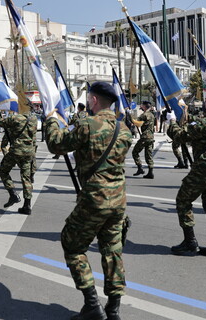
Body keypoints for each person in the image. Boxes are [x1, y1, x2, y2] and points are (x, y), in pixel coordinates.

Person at [45, 81, 133, 319]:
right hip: (118, 199)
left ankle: (92, 306)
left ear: (93, 100)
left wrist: (52, 120)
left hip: (95, 198)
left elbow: (56, 144)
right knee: (112, 250)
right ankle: (113, 310)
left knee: (72, 246)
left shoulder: (87, 124)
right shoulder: (124, 128)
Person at [168, 89, 206, 258]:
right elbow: (199, 124)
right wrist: (185, 112)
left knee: (183, 200)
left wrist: (172, 121)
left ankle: (190, 242)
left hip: (203, 168)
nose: (204, 102)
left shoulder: (204, 124)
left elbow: (179, 136)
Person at [0, 107, 37, 215]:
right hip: (29, 152)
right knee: (26, 178)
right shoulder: (34, 119)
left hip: (16, 151)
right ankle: (27, 205)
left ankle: (13, 194)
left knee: (3, 171)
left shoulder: (15, 118)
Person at [131, 101, 155, 179]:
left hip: (145, 137)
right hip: (151, 137)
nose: (141, 107)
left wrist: (130, 117)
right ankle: (150, 173)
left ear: (144, 106)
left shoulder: (144, 115)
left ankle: (140, 168)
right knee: (149, 155)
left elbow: (135, 122)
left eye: (142, 106)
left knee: (135, 152)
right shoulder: (152, 115)